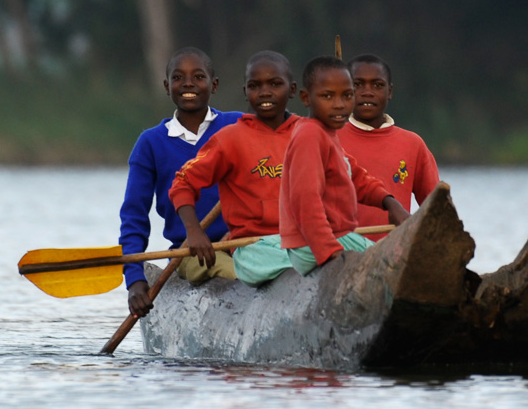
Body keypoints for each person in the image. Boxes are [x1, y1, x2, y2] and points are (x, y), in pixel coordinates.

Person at [118, 48, 240, 318]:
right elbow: (134, 216)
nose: (188, 84)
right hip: (192, 254)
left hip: (245, 241)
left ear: (214, 85)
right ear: (166, 86)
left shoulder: (238, 126)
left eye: (198, 76)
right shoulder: (150, 143)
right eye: (178, 77)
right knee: (235, 273)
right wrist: (135, 281)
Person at [169, 51, 301, 287]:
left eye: (275, 84)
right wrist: (194, 232)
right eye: (255, 85)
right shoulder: (230, 139)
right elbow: (183, 183)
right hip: (254, 248)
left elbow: (353, 175)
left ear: (292, 90)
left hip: (303, 241)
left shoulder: (312, 134)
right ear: (246, 93)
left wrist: (388, 202)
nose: (265, 92)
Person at [277, 56, 409, 281]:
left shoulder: (326, 133)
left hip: (333, 238)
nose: (339, 105)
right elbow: (305, 201)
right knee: (401, 267)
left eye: (347, 96)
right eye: (327, 96)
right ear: (306, 98)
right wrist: (330, 252)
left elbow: (356, 176)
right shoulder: (309, 136)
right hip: (315, 244)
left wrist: (389, 202)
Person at [339, 54, 440, 227]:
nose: (367, 92)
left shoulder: (412, 144)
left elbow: (436, 208)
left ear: (390, 92)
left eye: (377, 85)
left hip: (394, 250)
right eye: (357, 85)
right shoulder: (330, 138)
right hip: (341, 250)